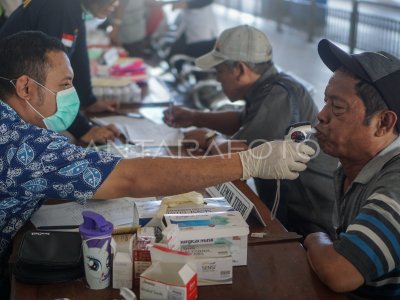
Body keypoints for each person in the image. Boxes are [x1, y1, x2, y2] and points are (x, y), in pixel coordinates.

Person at [0, 31, 314, 297]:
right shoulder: (22, 145)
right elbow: (133, 178)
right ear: (26, 88)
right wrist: (248, 162)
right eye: (65, 84)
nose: (72, 94)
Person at [163, 25, 338, 236]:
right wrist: (194, 116)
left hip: (308, 225)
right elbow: (240, 120)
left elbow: (239, 156)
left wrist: (209, 139)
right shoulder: (268, 87)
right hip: (290, 214)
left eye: (219, 71)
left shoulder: (279, 94)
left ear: (239, 69)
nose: (218, 80)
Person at [304, 39, 400, 299]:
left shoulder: (396, 181)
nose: (321, 115)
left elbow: (341, 272)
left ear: (383, 123)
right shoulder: (353, 167)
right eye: (325, 103)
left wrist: (315, 238)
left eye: (337, 107)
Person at [0, 0, 122, 144]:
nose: (116, 4)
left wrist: (89, 100)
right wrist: (83, 129)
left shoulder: (72, 7)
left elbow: (78, 58)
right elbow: (52, 73)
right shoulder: (59, 7)